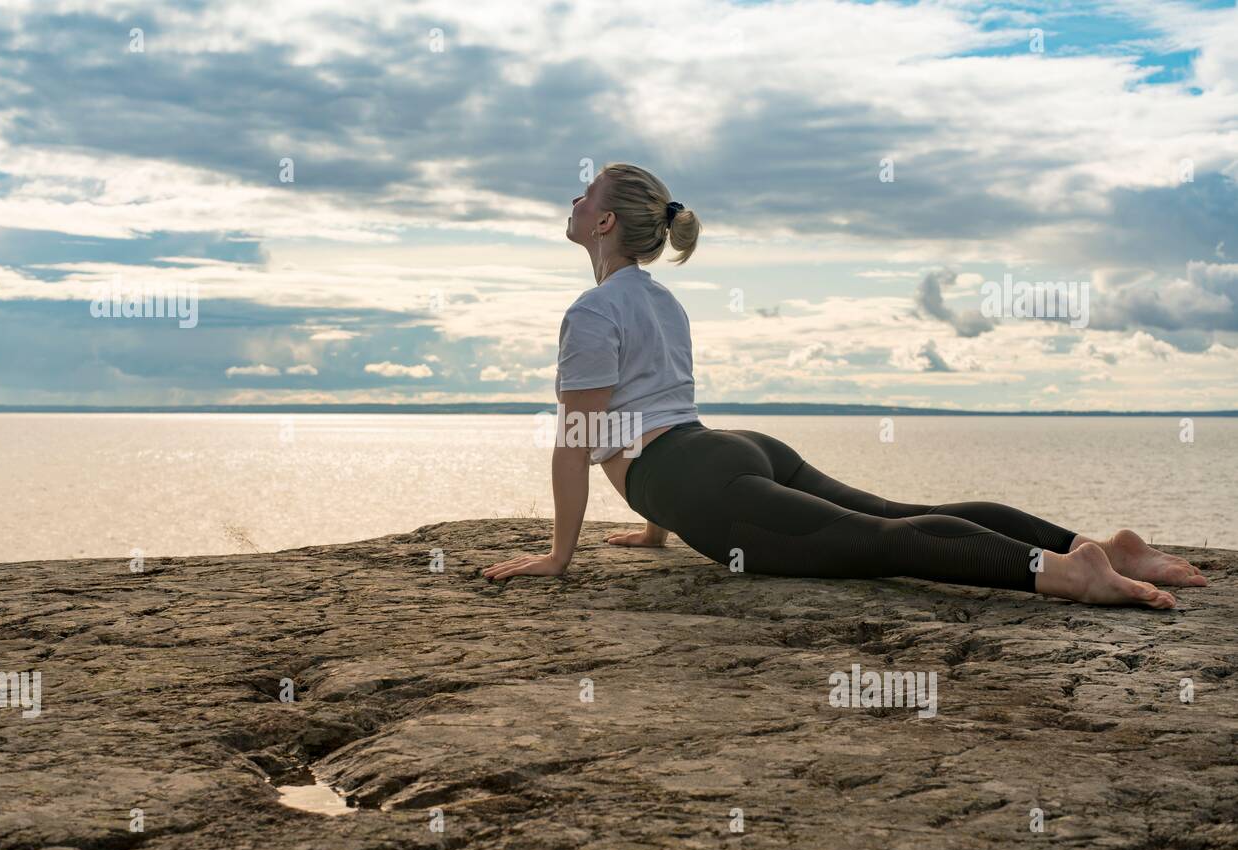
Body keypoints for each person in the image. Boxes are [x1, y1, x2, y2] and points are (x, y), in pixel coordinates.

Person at [482, 163, 1207, 607]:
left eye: (584, 194)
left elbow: (579, 443)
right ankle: (1104, 546)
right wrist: (651, 526)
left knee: (884, 540)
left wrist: (559, 556)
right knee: (899, 509)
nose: (573, 202)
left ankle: (1070, 574)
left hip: (696, 477)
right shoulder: (661, 300)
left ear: (604, 221)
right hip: (732, 450)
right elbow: (658, 408)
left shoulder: (590, 310)